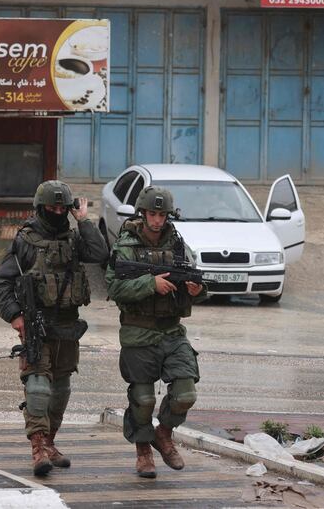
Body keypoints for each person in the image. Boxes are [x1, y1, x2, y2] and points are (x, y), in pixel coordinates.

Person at [0, 180, 107, 477]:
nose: (58, 212)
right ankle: (38, 447)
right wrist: (15, 316)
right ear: (40, 207)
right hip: (36, 324)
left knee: (61, 391)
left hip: (68, 325)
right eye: (52, 207)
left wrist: (83, 221)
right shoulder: (25, 241)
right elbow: (2, 283)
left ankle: (50, 441)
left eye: (63, 208)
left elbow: (99, 253)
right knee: (38, 388)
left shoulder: (74, 237)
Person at [105, 186, 205, 478]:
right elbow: (113, 287)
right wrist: (150, 284)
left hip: (172, 332)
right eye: (152, 213)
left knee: (186, 393)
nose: (157, 220)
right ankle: (143, 450)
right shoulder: (126, 245)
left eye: (162, 214)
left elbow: (194, 281)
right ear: (143, 212)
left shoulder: (178, 245)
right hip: (138, 332)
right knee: (143, 398)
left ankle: (164, 433)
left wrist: (197, 290)